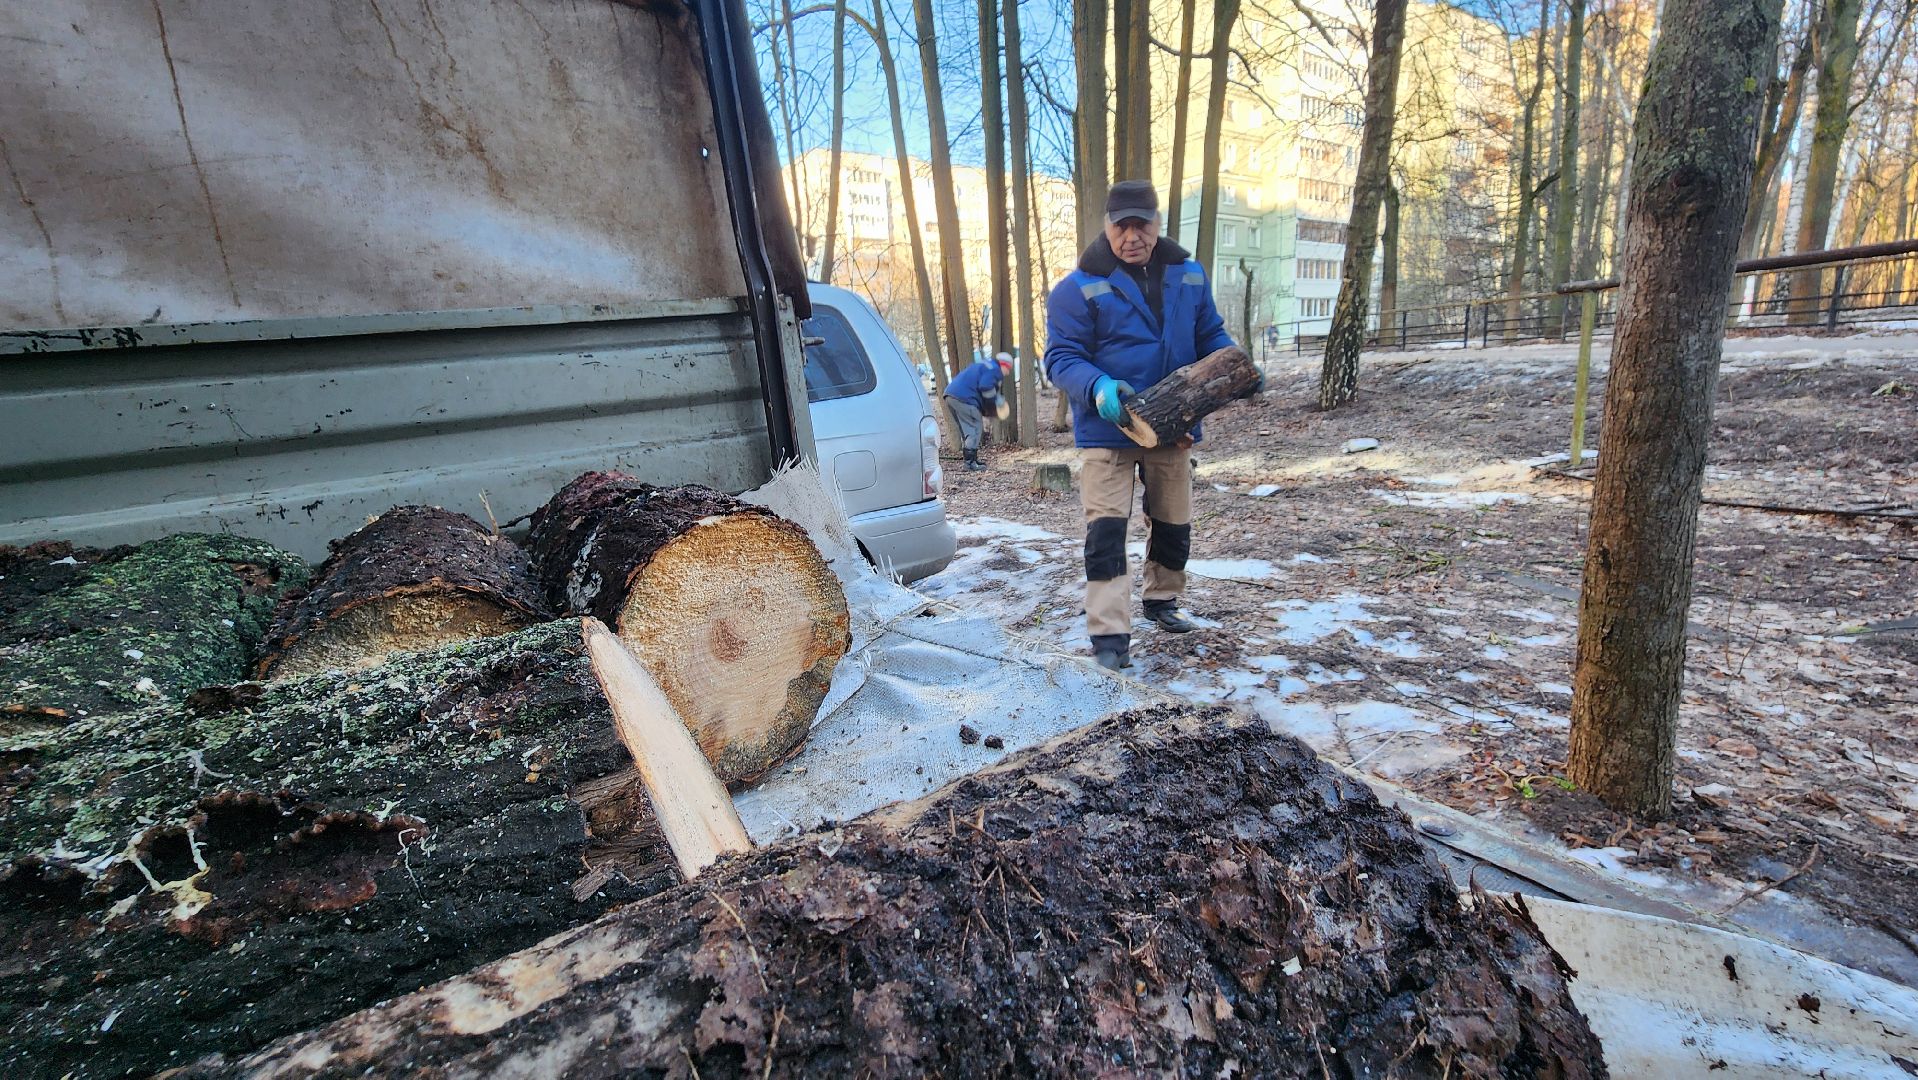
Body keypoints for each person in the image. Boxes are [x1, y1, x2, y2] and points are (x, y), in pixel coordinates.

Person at [1043, 180, 1239, 671]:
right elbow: (1061, 358)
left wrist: (1231, 365)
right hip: (1107, 429)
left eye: (1142, 224)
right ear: (1106, 226)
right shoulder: (1076, 289)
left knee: (1174, 522)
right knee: (1106, 532)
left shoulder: (1189, 276)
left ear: (1157, 223)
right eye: (1121, 226)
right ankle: (1110, 636)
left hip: (1173, 425)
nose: (1132, 236)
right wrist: (1097, 386)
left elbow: (1209, 335)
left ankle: (1162, 599)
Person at [944, 353, 1013, 472]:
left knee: (967, 430)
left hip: (950, 395)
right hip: (965, 398)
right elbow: (986, 388)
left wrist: (988, 410)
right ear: (1003, 365)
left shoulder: (986, 365)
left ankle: (972, 460)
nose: (1007, 372)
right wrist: (994, 408)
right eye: (1008, 369)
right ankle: (970, 464)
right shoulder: (994, 370)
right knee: (975, 427)